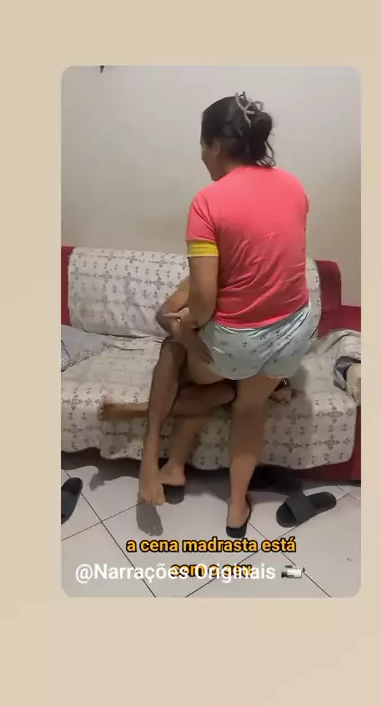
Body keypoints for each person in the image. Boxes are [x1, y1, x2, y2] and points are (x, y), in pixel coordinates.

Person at [161, 92, 314, 537]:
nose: (201, 155)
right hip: (294, 331)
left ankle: (175, 465)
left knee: (191, 363)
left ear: (214, 145)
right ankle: (236, 509)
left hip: (235, 345)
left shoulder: (207, 201)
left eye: (202, 144)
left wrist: (184, 326)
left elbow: (203, 301)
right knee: (251, 407)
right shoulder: (294, 186)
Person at [101, 276, 292, 504]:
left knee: (226, 393)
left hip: (237, 372)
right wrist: (183, 333)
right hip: (199, 360)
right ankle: (151, 455)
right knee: (174, 346)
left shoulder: (272, 282)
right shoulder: (209, 273)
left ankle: (145, 420)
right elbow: (164, 313)